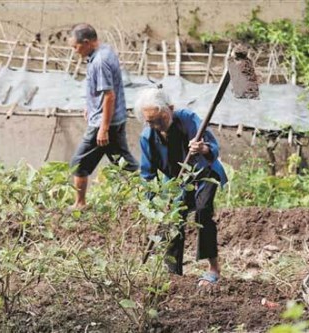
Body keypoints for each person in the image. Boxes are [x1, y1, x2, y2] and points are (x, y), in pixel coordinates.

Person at [135, 88, 227, 286]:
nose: (157, 126)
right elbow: (147, 174)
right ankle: (173, 273)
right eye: (150, 122)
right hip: (177, 182)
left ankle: (213, 268)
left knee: (203, 212)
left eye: (160, 119)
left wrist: (202, 148)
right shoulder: (147, 138)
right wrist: (155, 203)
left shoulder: (188, 119)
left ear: (170, 109)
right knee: (172, 220)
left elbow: (212, 147)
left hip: (204, 173)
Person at [68, 23, 138, 208]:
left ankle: (79, 204)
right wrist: (90, 107)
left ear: (87, 42)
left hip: (104, 122)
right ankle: (152, 193)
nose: (75, 51)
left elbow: (109, 95)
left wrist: (103, 128)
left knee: (79, 163)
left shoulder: (100, 62)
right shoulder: (105, 51)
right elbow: (101, 91)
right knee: (124, 163)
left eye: (76, 47)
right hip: (112, 118)